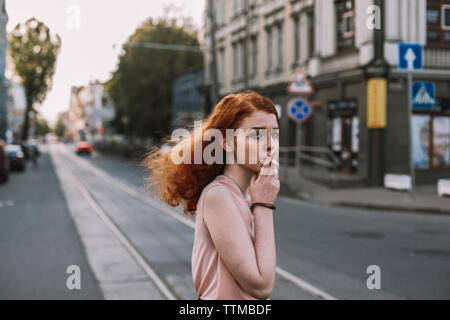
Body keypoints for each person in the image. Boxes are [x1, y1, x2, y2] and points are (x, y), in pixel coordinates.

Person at [143, 91, 280, 300]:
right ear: (226, 142)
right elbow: (260, 287)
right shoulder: (219, 195)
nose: (270, 144)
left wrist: (260, 200)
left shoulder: (249, 195)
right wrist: (264, 205)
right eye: (256, 135)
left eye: (275, 134)